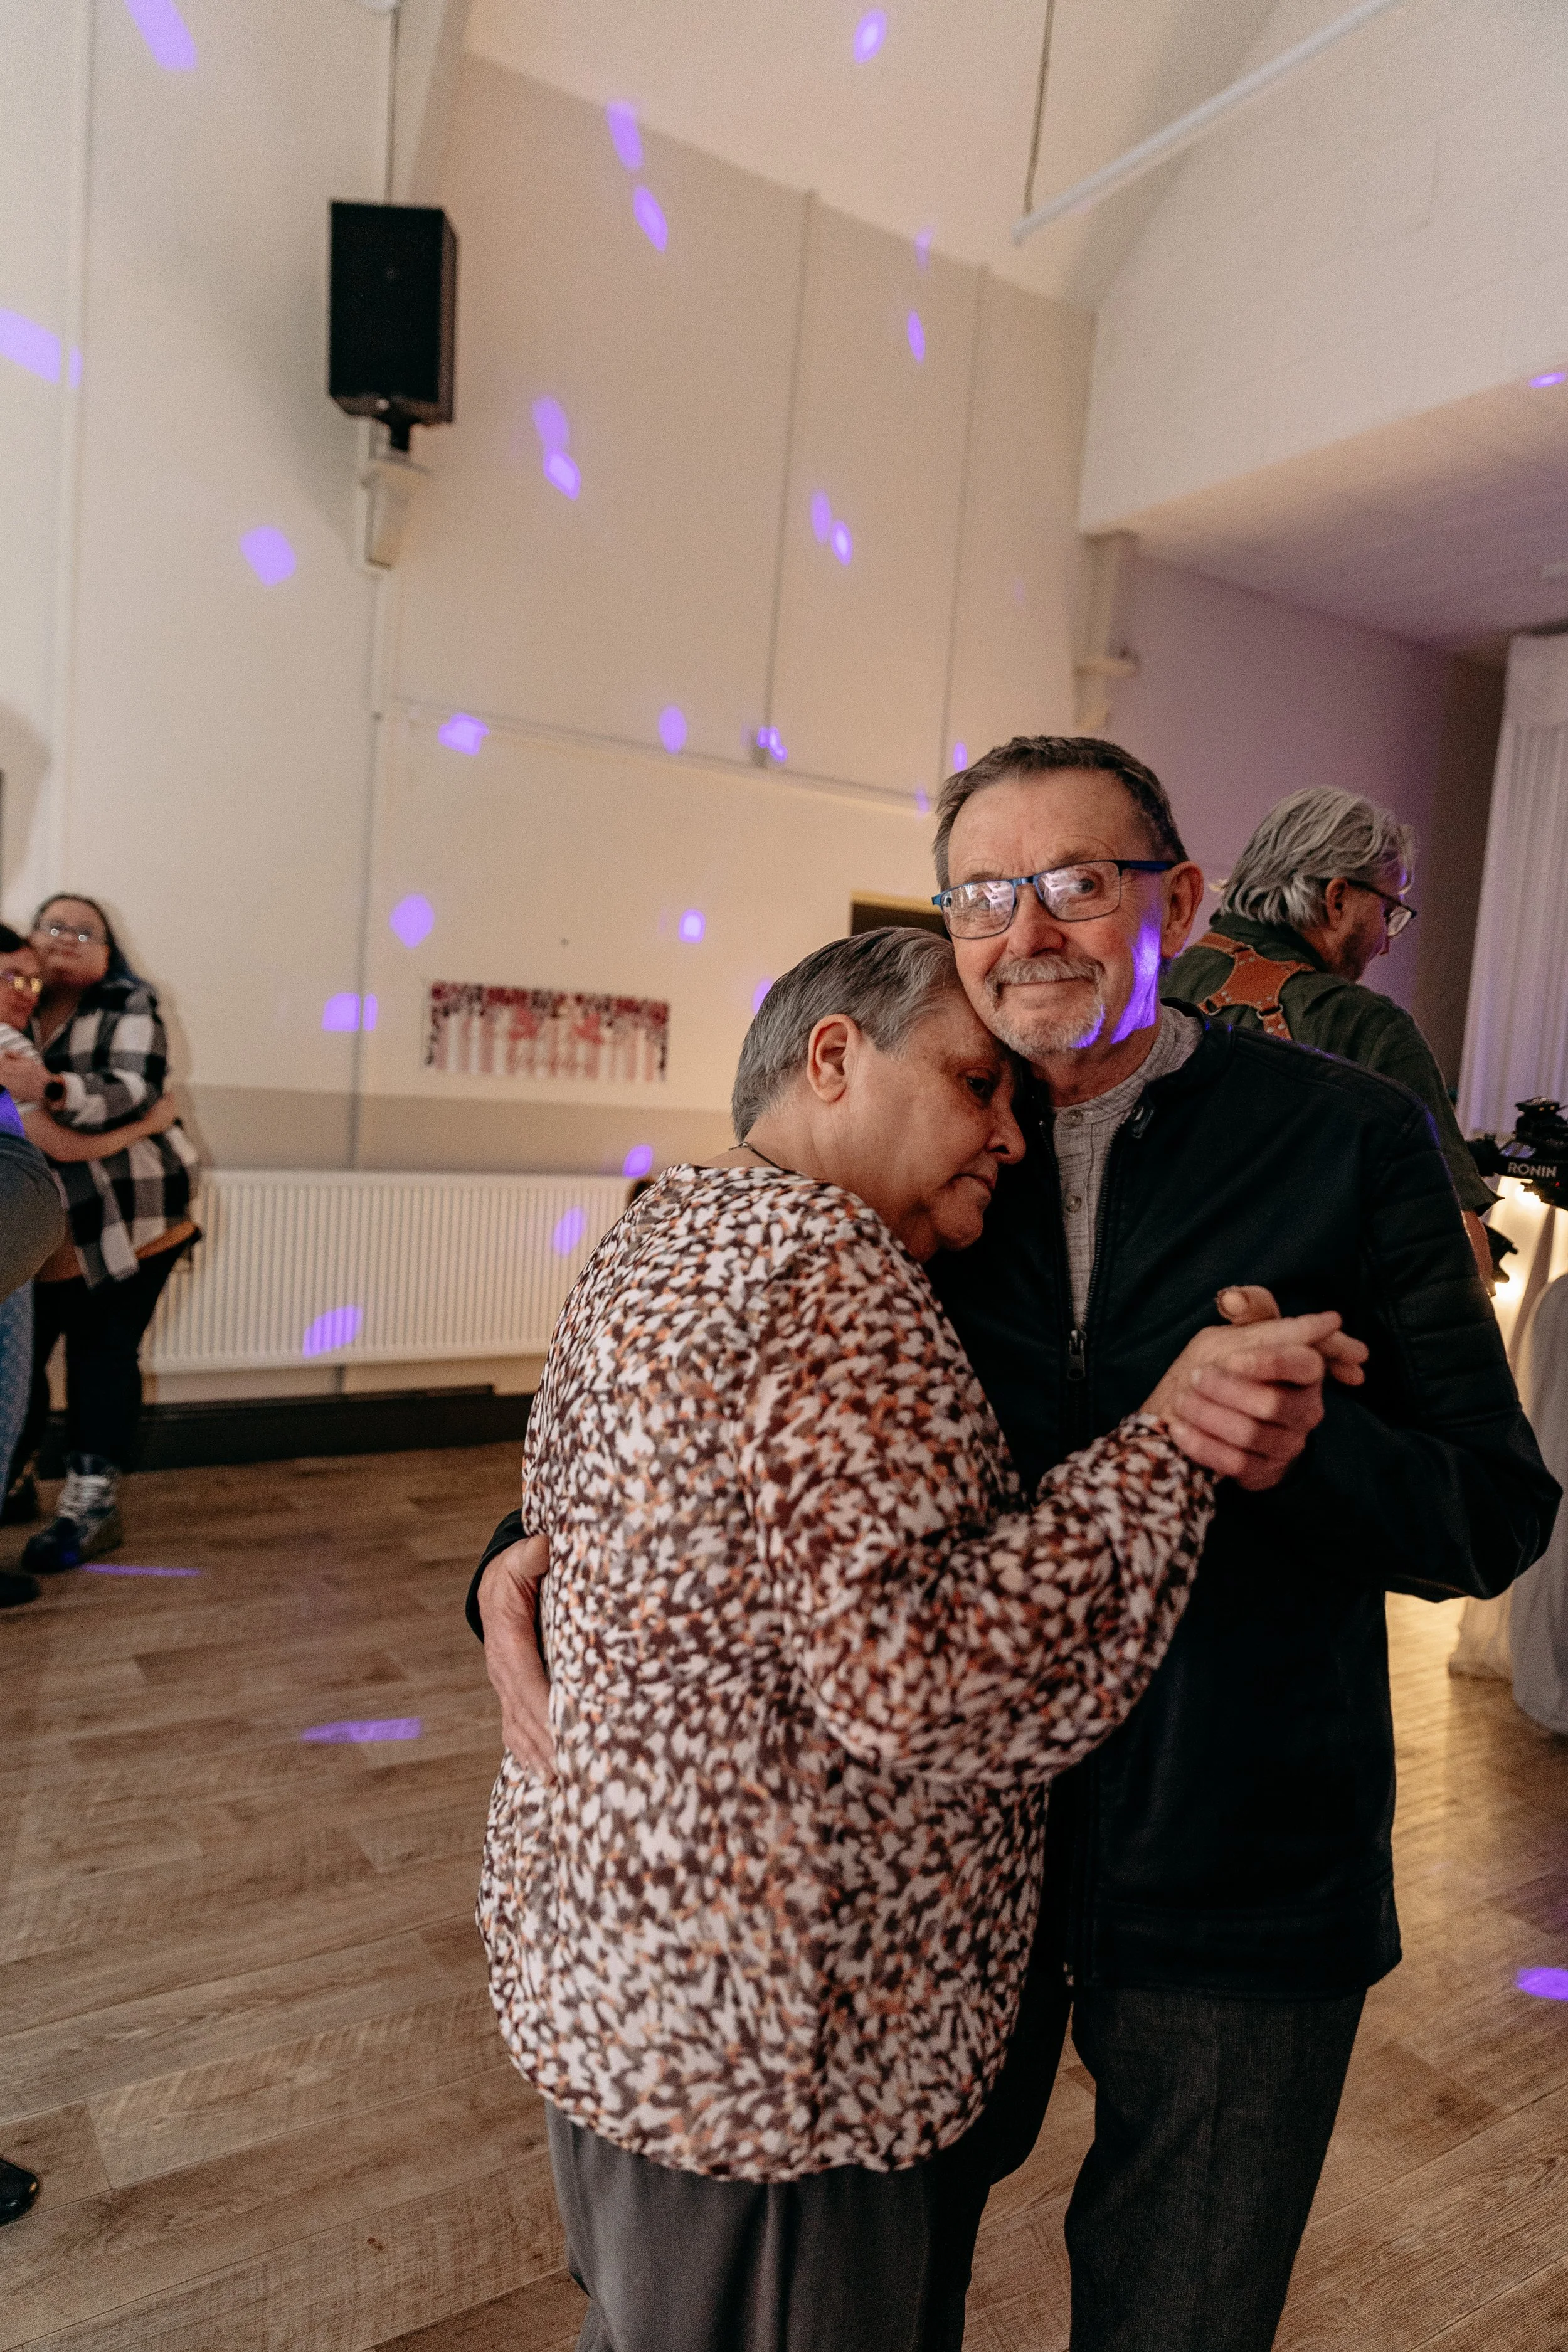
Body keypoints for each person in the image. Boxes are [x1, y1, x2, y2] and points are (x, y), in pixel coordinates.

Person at [478, 737, 1556, 2352]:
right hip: (918, 1887)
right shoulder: (907, 1153)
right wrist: (514, 1553)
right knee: (875, 2300)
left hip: (1239, 1855)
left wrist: (1306, 1445)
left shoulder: (1349, 1137)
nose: (1028, 925)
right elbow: (718, 1426)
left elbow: (1493, 1504)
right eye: (986, 889)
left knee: (1181, 2311)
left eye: (1078, 881)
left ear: (1177, 901)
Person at [1163, 787, 1497, 1290]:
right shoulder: (1368, 1026)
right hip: (1301, 1350)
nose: (1386, 942)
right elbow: (1455, 1257)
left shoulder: (1147, 991)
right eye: (1388, 912)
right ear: (1338, 898)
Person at [0, 897, 199, 1568]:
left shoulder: (128, 1003)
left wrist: (52, 1086)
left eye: (86, 932)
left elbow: (130, 1089)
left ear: (109, 953)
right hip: (56, 1234)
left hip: (134, 1220)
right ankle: (18, 1479)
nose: (66, 940)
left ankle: (91, 1508)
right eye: (54, 925)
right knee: (23, 1361)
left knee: (101, 1355)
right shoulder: (19, 1004)